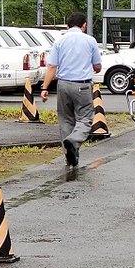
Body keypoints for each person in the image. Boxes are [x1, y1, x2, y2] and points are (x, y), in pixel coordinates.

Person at [41, 12, 102, 166]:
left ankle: (70, 155)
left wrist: (45, 88)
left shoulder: (59, 41)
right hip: (82, 85)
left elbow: (52, 66)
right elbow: (97, 66)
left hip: (63, 85)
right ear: (84, 25)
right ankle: (73, 141)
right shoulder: (90, 40)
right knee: (86, 118)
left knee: (65, 120)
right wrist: (95, 67)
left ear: (67, 25)